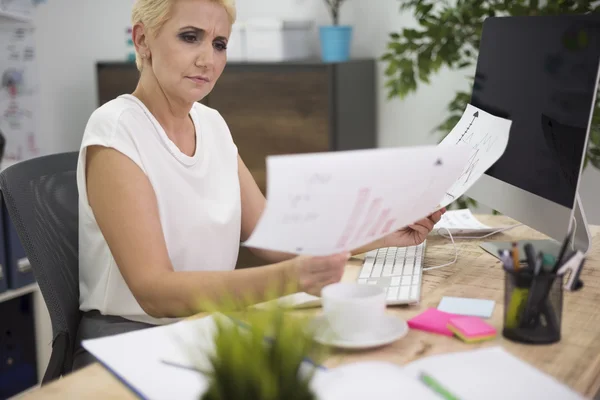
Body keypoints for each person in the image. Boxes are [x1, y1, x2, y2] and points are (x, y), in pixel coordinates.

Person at [73, 0, 445, 370]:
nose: (208, 59)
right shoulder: (116, 130)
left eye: (219, 44)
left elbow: (274, 236)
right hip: (131, 344)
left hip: (204, 325)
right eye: (191, 37)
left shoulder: (212, 124)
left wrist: (383, 230)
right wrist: (291, 278)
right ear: (142, 41)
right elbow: (154, 291)